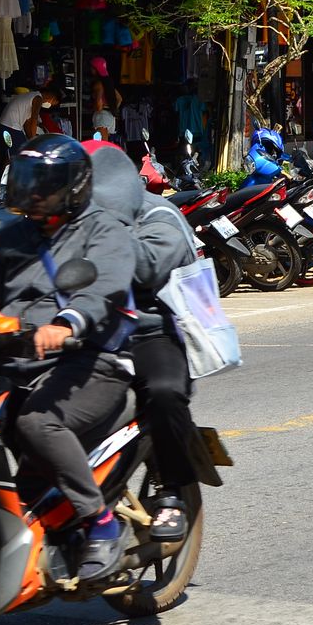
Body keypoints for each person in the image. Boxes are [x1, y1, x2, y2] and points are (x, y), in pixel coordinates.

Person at [0, 134, 138, 580]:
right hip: (22, 362)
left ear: (74, 186)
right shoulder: (11, 236)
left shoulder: (103, 229)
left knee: (36, 422)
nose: (32, 193)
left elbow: (103, 287)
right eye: (27, 181)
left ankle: (100, 523)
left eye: (43, 183)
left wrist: (68, 323)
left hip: (93, 361)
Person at [85, 141, 212, 540]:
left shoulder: (158, 214)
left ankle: (171, 490)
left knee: (163, 392)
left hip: (153, 330)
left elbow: (149, 266)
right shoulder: (70, 218)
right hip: (87, 330)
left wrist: (104, 239)